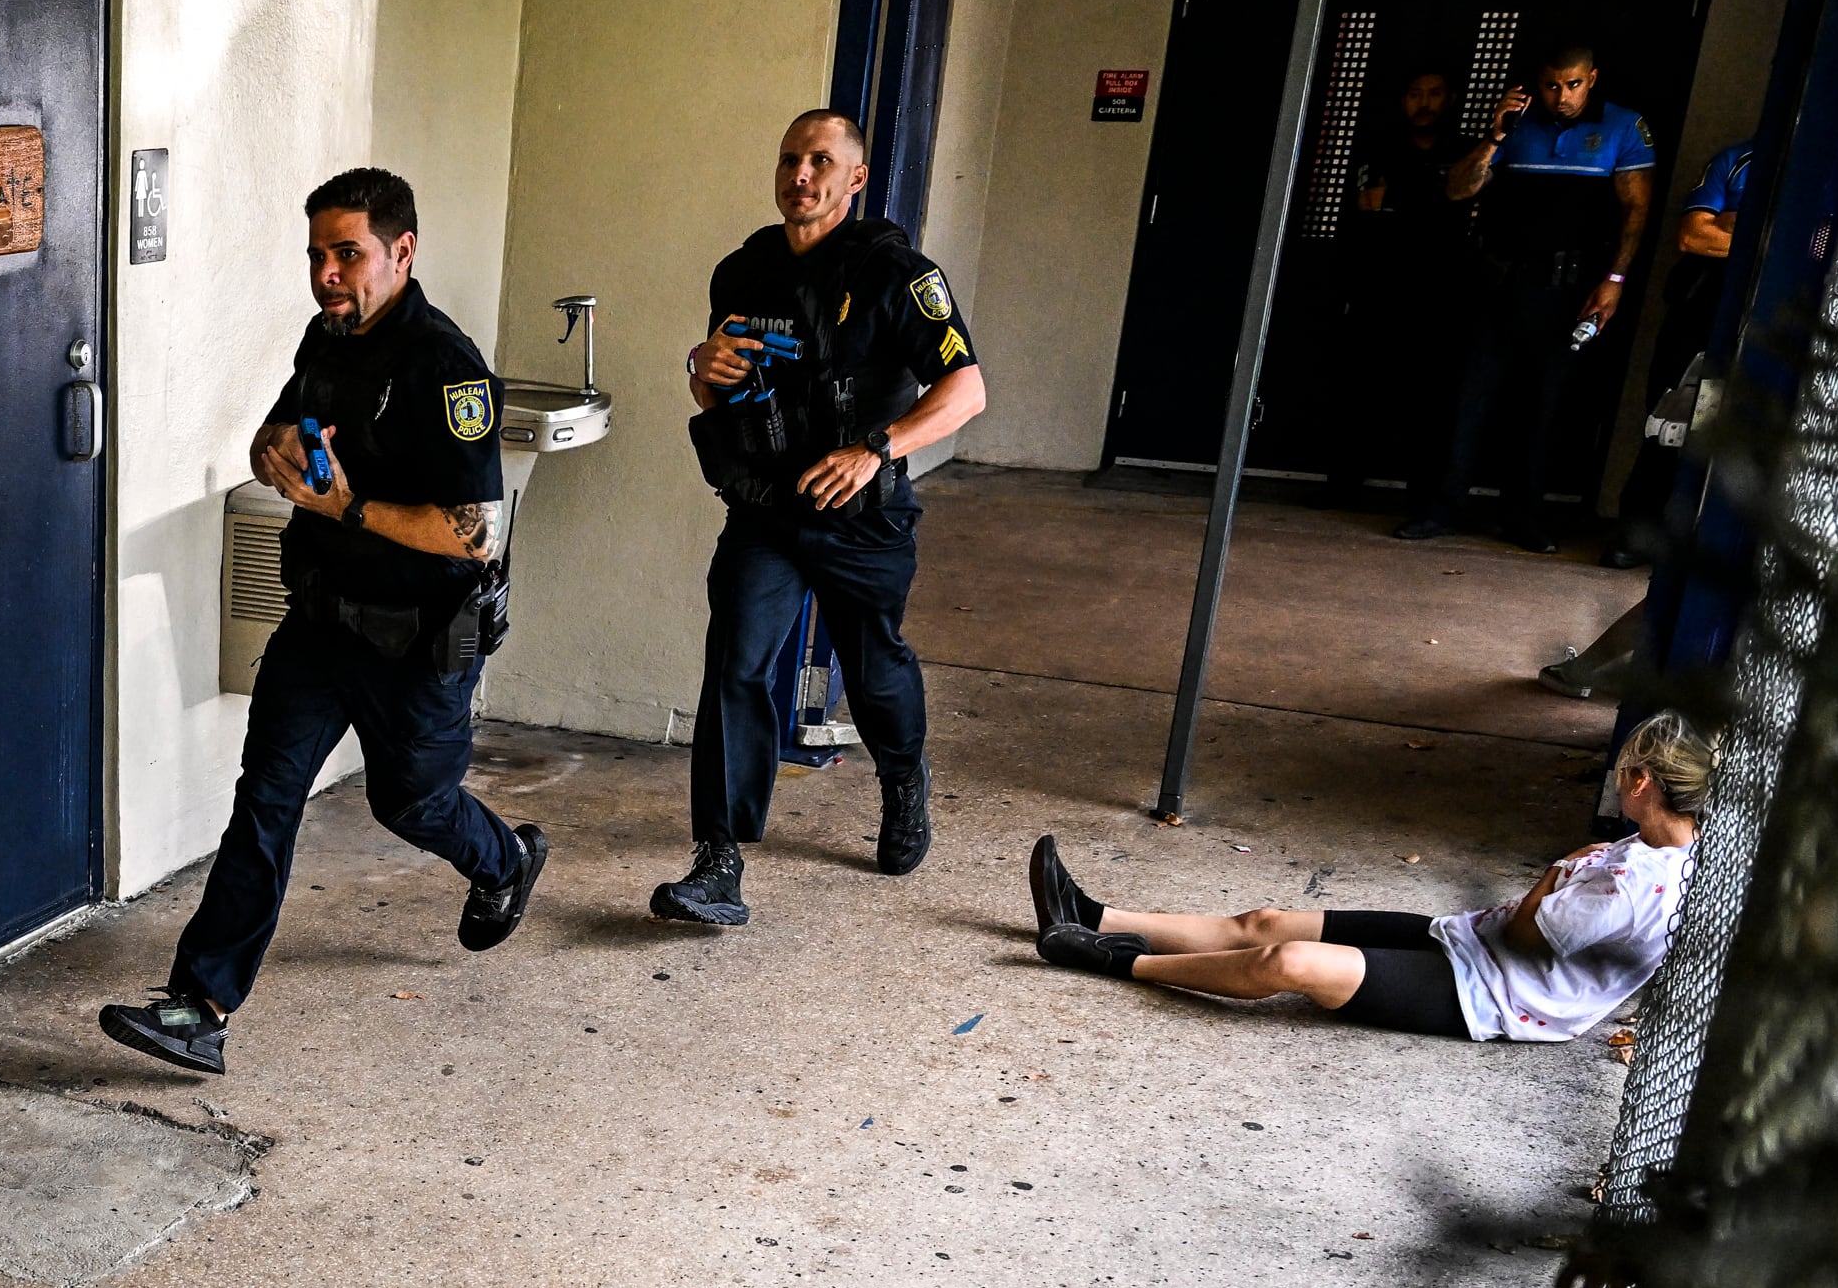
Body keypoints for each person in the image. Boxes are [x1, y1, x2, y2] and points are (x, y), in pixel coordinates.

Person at [100, 167, 540, 1078]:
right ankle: (201, 1006)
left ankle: (504, 861)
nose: (328, 274)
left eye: (348, 255)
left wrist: (344, 507)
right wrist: (274, 454)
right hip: (320, 626)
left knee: (410, 802)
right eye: (317, 256)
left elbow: (473, 535)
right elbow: (282, 437)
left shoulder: (449, 369)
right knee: (263, 802)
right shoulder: (326, 337)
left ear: (402, 252)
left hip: (416, 644)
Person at [650, 111, 990, 933]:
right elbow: (718, 390)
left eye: (820, 161)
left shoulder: (897, 275)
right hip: (765, 511)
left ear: (856, 178)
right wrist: (702, 370)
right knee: (735, 666)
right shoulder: (743, 270)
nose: (800, 175)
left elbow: (966, 391)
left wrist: (879, 448)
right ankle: (719, 859)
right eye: (790, 159)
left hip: (860, 518)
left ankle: (903, 782)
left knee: (875, 675)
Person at [1028, 709, 1714, 1038]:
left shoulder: (1640, 883)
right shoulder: (1660, 847)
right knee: (1264, 921)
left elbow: (1534, 938)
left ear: (1643, 782)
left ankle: (1117, 961)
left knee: (1288, 962)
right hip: (1468, 942)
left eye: (1623, 772)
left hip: (1493, 995)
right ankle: (1094, 915)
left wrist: (1554, 872)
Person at [1400, 43, 1658, 551]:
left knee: (1542, 407)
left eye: (1574, 84)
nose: (1561, 96)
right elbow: (1456, 190)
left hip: (1567, 289)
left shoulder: (1623, 127)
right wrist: (1497, 133)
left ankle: (1522, 518)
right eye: (1552, 85)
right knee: (1467, 398)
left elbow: (1635, 212)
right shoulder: (1514, 126)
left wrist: (1615, 282)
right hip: (1496, 282)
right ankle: (1441, 509)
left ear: (1593, 78)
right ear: (1536, 83)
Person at [1592, 137, 1756, 578]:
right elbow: (1692, 235)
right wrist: (1760, 235)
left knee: (1736, 431)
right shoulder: (1737, 158)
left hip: (1767, 316)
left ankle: (1703, 542)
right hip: (1703, 308)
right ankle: (1638, 534)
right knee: (1671, 417)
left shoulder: (1831, 160)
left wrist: (1735, 225)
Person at [1339, 67, 1478, 513]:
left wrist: (1406, 196)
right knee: (1361, 390)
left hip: (1440, 292)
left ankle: (1422, 498)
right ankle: (1342, 486)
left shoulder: (1464, 152)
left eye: (1434, 94)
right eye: (1415, 93)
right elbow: (1368, 203)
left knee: (1432, 401)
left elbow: (1465, 204)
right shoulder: (1380, 146)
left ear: (1451, 98)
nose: (1424, 103)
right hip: (1379, 285)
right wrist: (1433, 199)